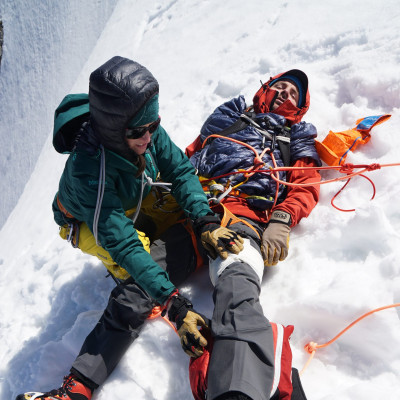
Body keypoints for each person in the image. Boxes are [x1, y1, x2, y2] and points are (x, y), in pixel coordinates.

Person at [16, 56, 243, 400]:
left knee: (188, 219)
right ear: (112, 129)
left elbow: (180, 172)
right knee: (135, 265)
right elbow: (124, 244)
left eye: (153, 125)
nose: (149, 136)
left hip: (131, 190)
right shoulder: (88, 171)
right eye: (139, 132)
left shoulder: (143, 126)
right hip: (86, 217)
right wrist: (174, 304)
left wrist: (205, 220)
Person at [185, 70, 321, 399]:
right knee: (137, 284)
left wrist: (281, 219)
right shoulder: (228, 116)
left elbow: (306, 183)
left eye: (292, 94)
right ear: (265, 88)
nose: (284, 94)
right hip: (195, 213)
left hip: (245, 216)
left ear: (299, 107)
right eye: (280, 87)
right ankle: (78, 385)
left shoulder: (296, 136)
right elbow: (187, 159)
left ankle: (238, 389)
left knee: (235, 277)